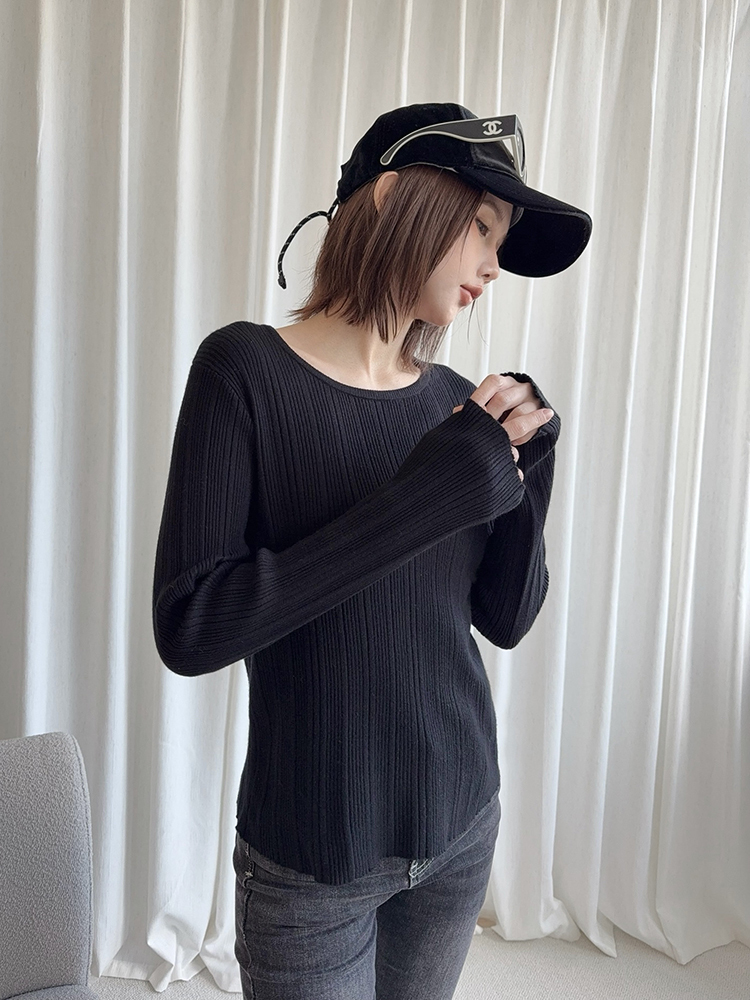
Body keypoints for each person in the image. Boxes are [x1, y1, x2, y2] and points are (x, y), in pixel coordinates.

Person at [152, 102, 592, 1000]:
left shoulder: (456, 405)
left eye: (501, 241)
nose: (493, 265)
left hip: (462, 825)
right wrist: (428, 497)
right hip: (312, 860)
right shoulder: (242, 370)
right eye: (481, 226)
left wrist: (530, 475)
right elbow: (192, 627)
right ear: (392, 197)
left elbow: (504, 619)